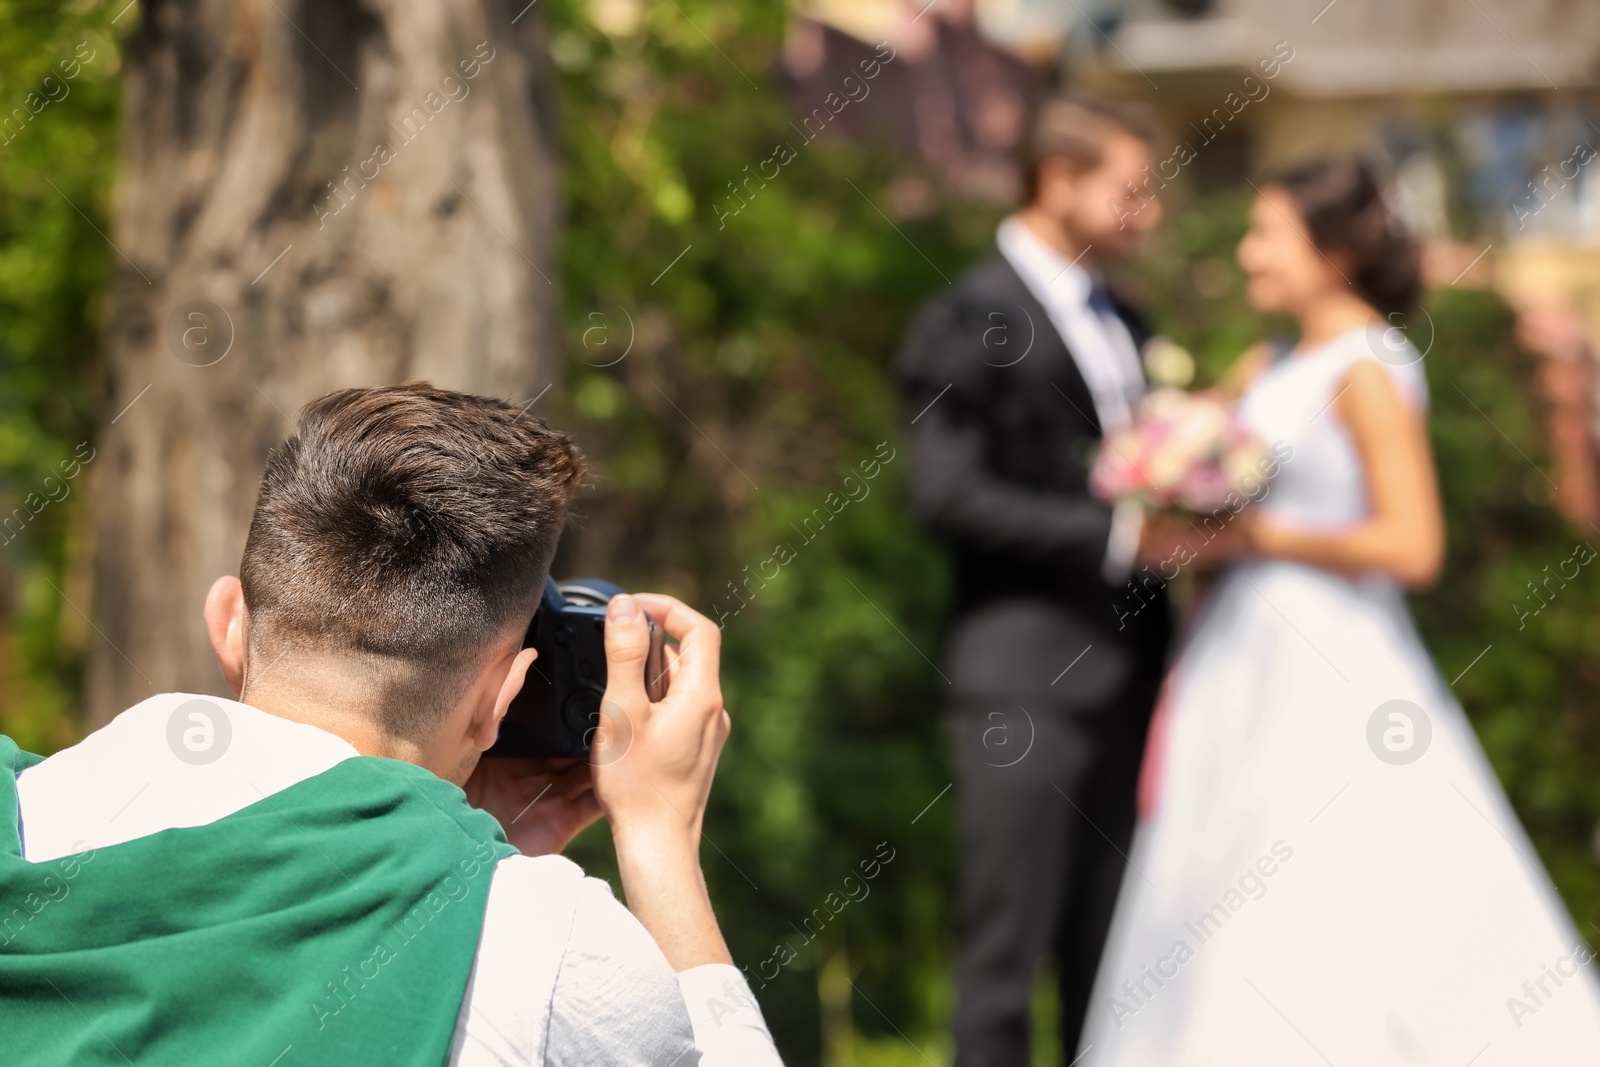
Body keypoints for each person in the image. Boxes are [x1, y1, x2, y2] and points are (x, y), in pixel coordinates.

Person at [0, 384, 785, 1066]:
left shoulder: (19, 814)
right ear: (499, 698)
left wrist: (465, 842)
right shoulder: (543, 951)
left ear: (231, 622)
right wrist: (657, 841)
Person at [1079, 159, 1600, 1064]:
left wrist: (1258, 540)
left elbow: (1412, 545)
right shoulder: (1269, 361)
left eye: (1266, 234)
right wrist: (1176, 505)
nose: (1248, 254)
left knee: (1324, 870)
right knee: (1218, 874)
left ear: (1334, 249)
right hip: (1234, 657)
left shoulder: (1368, 365)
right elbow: (1216, 493)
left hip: (1334, 657)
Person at [897, 93, 1174, 1064]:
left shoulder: (1131, 315)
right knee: (1005, 947)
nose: (1148, 214)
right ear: (1058, 179)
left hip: (1135, 667)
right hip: (1021, 673)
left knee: (1113, 949)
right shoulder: (967, 312)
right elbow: (948, 495)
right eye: (1130, 190)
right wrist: (1119, 535)